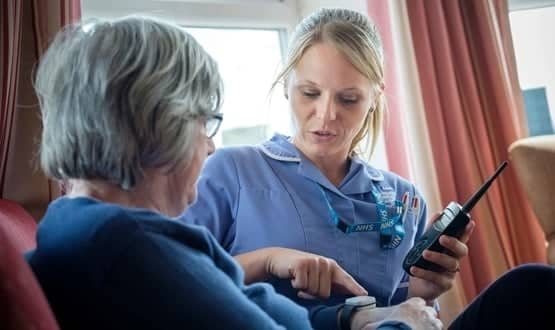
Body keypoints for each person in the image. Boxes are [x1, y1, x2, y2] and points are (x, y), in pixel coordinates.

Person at [25, 15, 442, 330]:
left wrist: (354, 319)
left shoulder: (77, 225)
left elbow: (247, 305)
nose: (209, 145)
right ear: (158, 127)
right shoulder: (130, 246)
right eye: (203, 124)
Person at [180, 7, 555, 330]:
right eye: (309, 92)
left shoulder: (404, 199)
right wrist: (269, 260)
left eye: (348, 99)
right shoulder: (232, 170)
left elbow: (403, 311)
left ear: (375, 97)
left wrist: (423, 293)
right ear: (285, 85)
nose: (325, 114)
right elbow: (175, 274)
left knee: (532, 286)